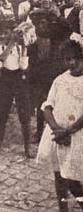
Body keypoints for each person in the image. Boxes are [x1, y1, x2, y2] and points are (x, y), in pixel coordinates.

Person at [36, 40, 83, 212]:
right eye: (67, 59)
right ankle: (63, 209)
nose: (71, 63)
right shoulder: (60, 80)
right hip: (57, 135)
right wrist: (56, 129)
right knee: (59, 176)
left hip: (76, 135)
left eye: (75, 59)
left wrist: (68, 131)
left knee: (72, 178)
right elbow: (48, 106)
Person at [0, 21, 32, 158]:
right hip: (5, 78)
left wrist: (23, 48)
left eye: (6, 33)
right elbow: (2, 59)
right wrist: (12, 43)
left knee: (24, 113)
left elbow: (23, 66)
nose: (3, 35)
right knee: (3, 111)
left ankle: (27, 147)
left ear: (12, 33)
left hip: (19, 79)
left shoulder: (20, 46)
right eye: (0, 33)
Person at [28, 9, 69, 142]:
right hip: (41, 75)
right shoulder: (33, 35)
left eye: (43, 22)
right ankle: (39, 132)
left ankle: (61, 129)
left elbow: (66, 27)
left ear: (48, 22)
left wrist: (57, 16)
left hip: (56, 72)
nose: (40, 26)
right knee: (41, 103)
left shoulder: (56, 32)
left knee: (60, 101)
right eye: (37, 23)